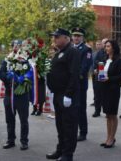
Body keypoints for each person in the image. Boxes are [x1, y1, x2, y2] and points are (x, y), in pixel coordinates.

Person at [46, 28, 80, 161]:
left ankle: (68, 154)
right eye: (54, 36)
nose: (54, 39)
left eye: (57, 36)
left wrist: (69, 94)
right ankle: (60, 150)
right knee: (60, 125)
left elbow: (74, 74)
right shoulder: (59, 52)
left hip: (67, 96)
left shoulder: (72, 52)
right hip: (58, 94)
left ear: (66, 38)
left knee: (69, 126)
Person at [0, 40, 30, 151]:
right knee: (9, 119)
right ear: (11, 47)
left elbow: (29, 74)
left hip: (22, 95)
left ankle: (24, 141)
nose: (16, 47)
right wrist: (8, 78)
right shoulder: (7, 59)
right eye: (14, 45)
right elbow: (0, 73)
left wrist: (20, 80)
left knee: (23, 120)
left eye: (18, 45)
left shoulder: (26, 59)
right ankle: (10, 140)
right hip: (9, 94)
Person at [98, 40, 121, 148]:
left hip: (113, 90)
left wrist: (109, 78)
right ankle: (108, 137)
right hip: (104, 89)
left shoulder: (119, 60)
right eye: (106, 46)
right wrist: (98, 73)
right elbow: (103, 72)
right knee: (107, 115)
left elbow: (120, 76)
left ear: (113, 48)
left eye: (108, 46)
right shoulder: (105, 59)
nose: (106, 48)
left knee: (112, 114)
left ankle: (112, 138)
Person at [71, 27, 92, 142]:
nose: (76, 38)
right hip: (70, 84)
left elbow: (84, 67)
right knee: (72, 108)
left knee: (80, 108)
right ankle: (74, 130)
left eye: (78, 36)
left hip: (79, 83)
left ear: (82, 37)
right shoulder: (70, 48)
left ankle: (83, 132)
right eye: (74, 35)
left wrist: (74, 77)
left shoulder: (86, 49)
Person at [92, 38, 108, 117]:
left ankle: (106, 111)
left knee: (106, 95)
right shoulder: (99, 52)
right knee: (97, 94)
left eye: (106, 43)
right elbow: (95, 61)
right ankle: (97, 111)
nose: (104, 45)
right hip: (99, 75)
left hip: (107, 76)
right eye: (103, 43)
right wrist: (98, 65)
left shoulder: (110, 52)